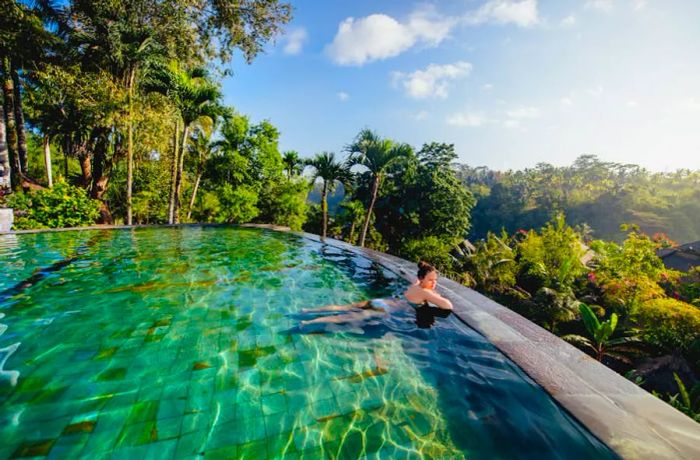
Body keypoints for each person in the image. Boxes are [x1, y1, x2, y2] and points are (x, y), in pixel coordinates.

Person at [300, 261, 453, 325]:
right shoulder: (425, 293)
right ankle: (308, 322)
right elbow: (448, 306)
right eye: (431, 280)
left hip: (383, 301)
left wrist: (429, 286)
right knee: (344, 317)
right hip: (384, 308)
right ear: (422, 278)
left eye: (435, 280)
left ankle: (308, 311)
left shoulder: (416, 284)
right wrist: (435, 294)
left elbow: (417, 283)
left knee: (344, 307)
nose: (434, 283)